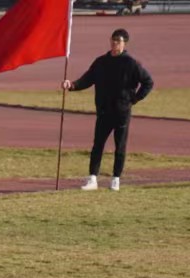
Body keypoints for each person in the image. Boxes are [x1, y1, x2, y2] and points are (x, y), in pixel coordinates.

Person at [65, 29, 154, 192]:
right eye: (113, 39)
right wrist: (72, 85)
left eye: (118, 40)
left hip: (122, 111)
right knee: (97, 145)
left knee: (120, 146)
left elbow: (148, 82)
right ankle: (93, 178)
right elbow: (88, 79)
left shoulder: (131, 63)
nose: (114, 43)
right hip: (104, 110)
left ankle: (115, 179)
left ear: (124, 43)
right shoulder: (101, 62)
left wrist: (134, 99)